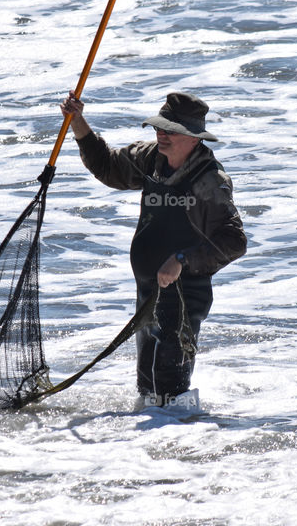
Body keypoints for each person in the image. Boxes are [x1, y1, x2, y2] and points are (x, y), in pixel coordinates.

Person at [60, 90, 247, 407]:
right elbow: (107, 167)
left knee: (169, 391)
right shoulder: (150, 159)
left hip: (185, 294)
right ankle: (146, 449)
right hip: (148, 291)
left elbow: (234, 241)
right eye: (160, 127)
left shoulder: (209, 181)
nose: (162, 134)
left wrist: (181, 260)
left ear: (193, 138)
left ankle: (186, 441)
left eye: (171, 130)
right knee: (148, 391)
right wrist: (78, 122)